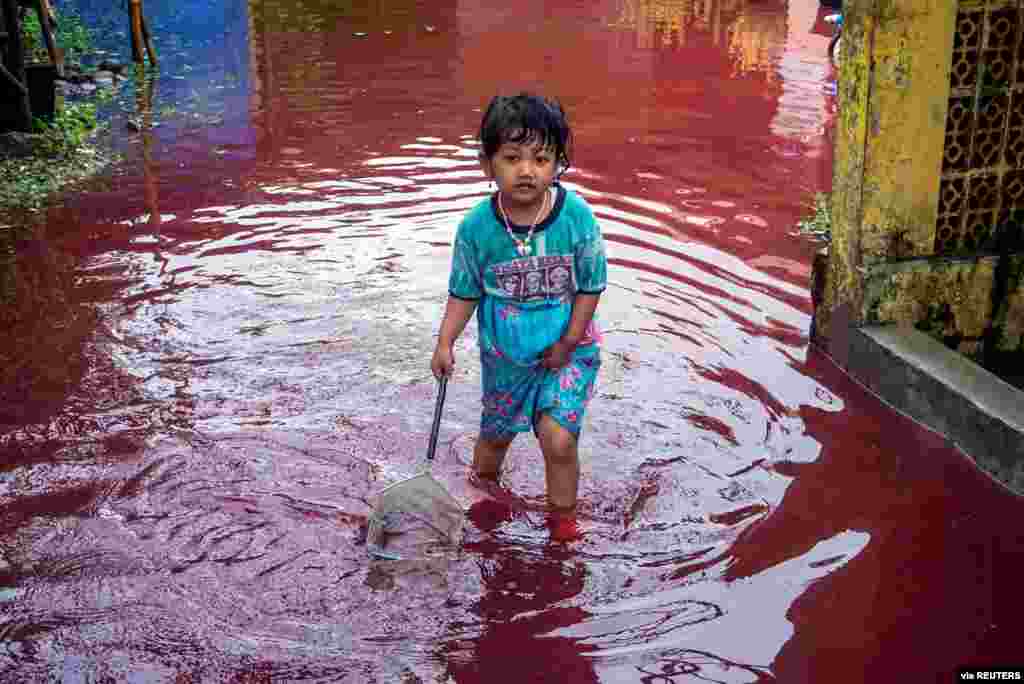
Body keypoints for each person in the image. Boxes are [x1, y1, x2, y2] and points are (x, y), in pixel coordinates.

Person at [430, 93, 607, 542]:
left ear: (558, 163)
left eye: (541, 158)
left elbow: (591, 284)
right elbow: (464, 291)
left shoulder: (575, 217)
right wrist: (445, 342)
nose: (526, 170)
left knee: (559, 440)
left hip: (567, 351)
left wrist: (568, 342)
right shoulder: (477, 228)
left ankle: (562, 524)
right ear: (487, 164)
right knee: (493, 443)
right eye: (512, 158)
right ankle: (484, 505)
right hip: (506, 357)